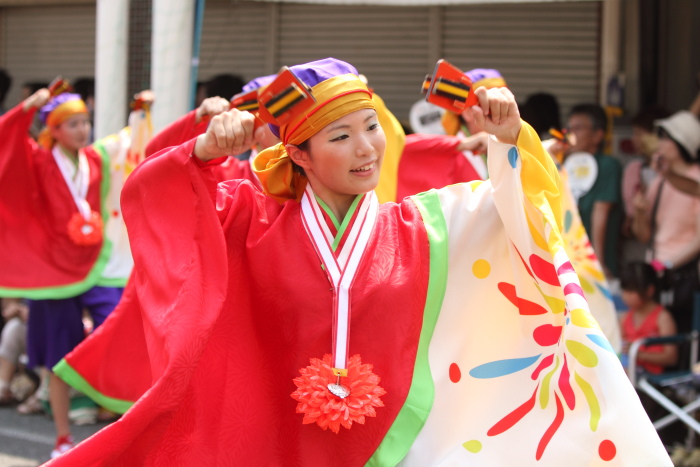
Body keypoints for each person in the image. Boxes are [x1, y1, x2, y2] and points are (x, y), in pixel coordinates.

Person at [50, 58, 667, 465]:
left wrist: (511, 142)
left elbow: (519, 215)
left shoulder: (425, 226)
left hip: (403, 436)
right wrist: (202, 150)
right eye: (340, 137)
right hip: (275, 438)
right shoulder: (250, 218)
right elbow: (159, 200)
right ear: (300, 156)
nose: (368, 148)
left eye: (372, 127)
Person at [0, 85, 152, 458]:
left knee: (119, 336)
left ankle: (127, 428)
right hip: (54, 271)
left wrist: (140, 113)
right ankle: (63, 438)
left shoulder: (96, 159)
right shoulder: (37, 159)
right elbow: (8, 143)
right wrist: (25, 109)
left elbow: (130, 146)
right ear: (54, 129)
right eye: (72, 124)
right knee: (59, 358)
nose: (83, 130)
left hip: (99, 264)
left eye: (85, 121)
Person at [631, 110, 700, 333]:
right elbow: (643, 235)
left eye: (666, 138)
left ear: (681, 144)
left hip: (683, 279)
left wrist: (667, 264)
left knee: (681, 339)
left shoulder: (695, 179)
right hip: (657, 276)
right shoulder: (659, 181)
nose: (658, 143)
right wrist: (640, 213)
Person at [552, 104, 623, 278]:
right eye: (568, 128)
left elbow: (601, 213)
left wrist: (597, 262)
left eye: (578, 128)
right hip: (564, 260)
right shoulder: (563, 164)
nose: (570, 134)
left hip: (593, 263)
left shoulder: (607, 165)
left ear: (598, 135)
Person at [619, 262, 678, 374]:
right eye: (624, 290)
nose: (625, 296)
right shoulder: (624, 318)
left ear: (649, 290)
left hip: (651, 379)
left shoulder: (663, 318)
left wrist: (637, 354)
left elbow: (671, 358)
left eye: (631, 291)